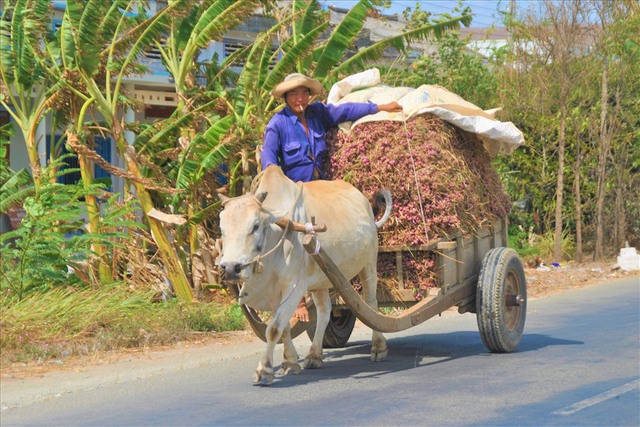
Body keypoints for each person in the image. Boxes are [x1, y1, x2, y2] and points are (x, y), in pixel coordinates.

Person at [262, 73, 403, 322]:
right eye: (293, 94)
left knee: (331, 240)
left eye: (303, 93)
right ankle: (299, 301)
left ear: (309, 95)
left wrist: (379, 107)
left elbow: (346, 110)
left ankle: (334, 276)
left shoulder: (318, 114)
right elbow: (269, 162)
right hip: (297, 195)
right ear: (285, 97)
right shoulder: (278, 124)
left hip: (324, 191)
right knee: (293, 245)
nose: (299, 98)